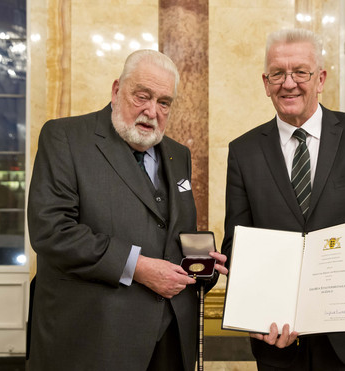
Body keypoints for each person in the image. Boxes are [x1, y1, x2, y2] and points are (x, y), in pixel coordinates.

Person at [27, 49, 228, 371]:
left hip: (171, 338)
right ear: (116, 89)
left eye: (164, 102)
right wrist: (138, 267)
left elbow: (170, 231)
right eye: (142, 96)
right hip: (95, 340)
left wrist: (201, 262)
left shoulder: (179, 154)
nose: (152, 111)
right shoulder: (64, 137)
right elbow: (52, 231)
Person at [222, 28, 345, 370]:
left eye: (300, 72)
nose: (288, 83)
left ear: (320, 79)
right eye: (277, 73)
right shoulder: (243, 151)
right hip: (278, 336)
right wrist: (258, 309)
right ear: (265, 82)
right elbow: (237, 243)